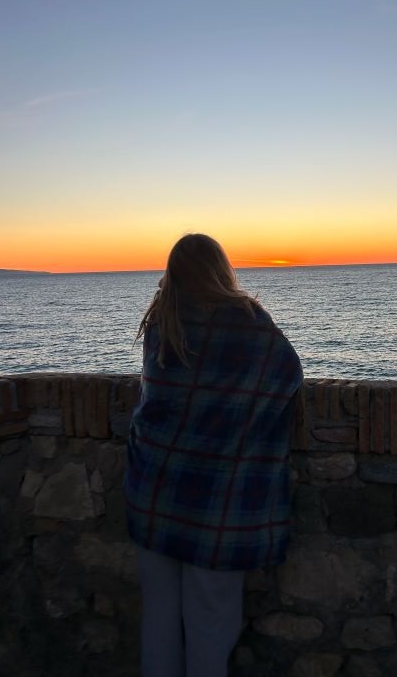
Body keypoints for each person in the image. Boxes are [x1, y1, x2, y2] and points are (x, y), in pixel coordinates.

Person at [124, 233, 303, 677]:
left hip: (155, 492)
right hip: (219, 502)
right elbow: (287, 374)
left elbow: (157, 401)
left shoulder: (161, 324)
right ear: (221, 269)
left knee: (159, 619)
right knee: (211, 625)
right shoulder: (247, 320)